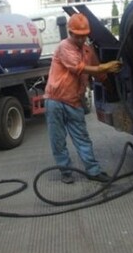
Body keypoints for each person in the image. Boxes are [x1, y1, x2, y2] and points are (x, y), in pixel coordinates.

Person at [44, 13, 122, 184]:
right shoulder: (64, 46)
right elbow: (79, 68)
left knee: (82, 138)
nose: (80, 39)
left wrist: (111, 89)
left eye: (83, 36)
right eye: (77, 36)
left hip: (74, 101)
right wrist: (104, 67)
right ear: (70, 33)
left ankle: (93, 171)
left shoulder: (88, 50)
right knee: (58, 139)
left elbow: (98, 72)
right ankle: (66, 171)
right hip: (55, 100)